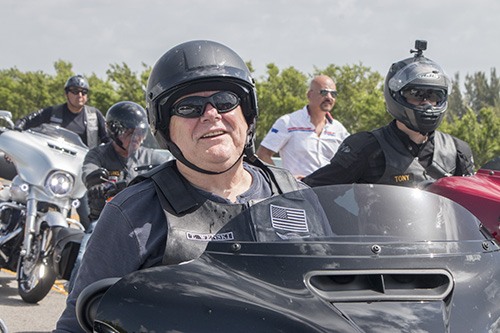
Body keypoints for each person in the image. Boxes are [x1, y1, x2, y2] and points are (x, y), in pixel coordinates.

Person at [54, 40, 305, 332]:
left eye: (225, 101)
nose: (211, 114)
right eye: (189, 107)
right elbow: (77, 326)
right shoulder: (133, 214)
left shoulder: (295, 197)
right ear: (165, 128)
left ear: (247, 115)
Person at [303, 40, 475, 188]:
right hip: (377, 228)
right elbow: (313, 188)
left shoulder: (458, 152)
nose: (426, 103)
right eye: (416, 94)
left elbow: (472, 208)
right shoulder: (366, 148)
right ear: (395, 95)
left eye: (434, 95)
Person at [66, 101, 172, 292]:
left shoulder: (152, 157)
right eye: (130, 133)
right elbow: (89, 172)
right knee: (84, 258)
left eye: (140, 132)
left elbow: (171, 168)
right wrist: (96, 184)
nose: (137, 138)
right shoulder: (98, 154)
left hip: (145, 222)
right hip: (105, 220)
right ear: (113, 131)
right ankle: (75, 310)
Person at [15, 75, 110, 229]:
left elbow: (108, 138)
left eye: (84, 92)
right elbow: (28, 120)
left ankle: (87, 249)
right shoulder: (53, 112)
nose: (80, 95)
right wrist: (16, 130)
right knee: (38, 209)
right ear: (67, 93)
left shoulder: (94, 116)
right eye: (75, 91)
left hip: (80, 174)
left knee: (88, 218)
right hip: (54, 171)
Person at [256, 75, 349, 179]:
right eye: (323, 92)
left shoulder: (338, 129)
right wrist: (283, 179)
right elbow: (262, 154)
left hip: (330, 192)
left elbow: (350, 160)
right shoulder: (288, 122)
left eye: (333, 94)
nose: (329, 97)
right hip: (298, 191)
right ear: (309, 95)